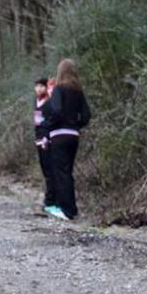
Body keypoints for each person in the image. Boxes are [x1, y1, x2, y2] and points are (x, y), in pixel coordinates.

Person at [43, 59, 92, 221]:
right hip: (73, 136)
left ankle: (67, 210)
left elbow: (56, 110)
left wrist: (47, 124)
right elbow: (86, 116)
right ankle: (72, 208)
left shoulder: (59, 89)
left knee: (60, 172)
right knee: (68, 171)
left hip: (59, 135)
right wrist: (75, 125)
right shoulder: (78, 91)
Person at [34, 78, 57, 212]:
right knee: (45, 169)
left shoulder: (50, 102)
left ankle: (51, 200)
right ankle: (49, 197)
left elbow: (51, 121)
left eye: (42, 86)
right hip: (38, 138)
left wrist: (46, 137)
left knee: (50, 170)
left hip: (47, 139)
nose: (39, 89)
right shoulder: (36, 101)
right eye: (37, 86)